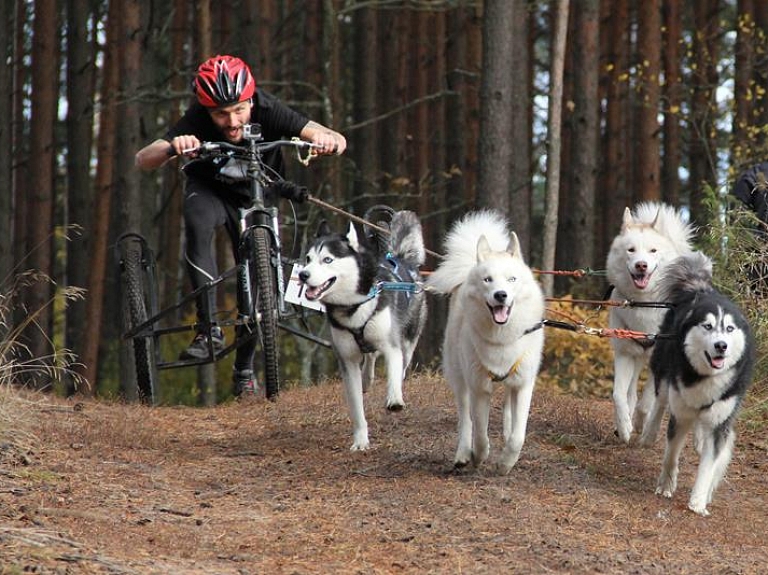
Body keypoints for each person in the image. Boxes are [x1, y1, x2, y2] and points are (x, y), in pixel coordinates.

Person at [135, 54, 347, 396]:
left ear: (252, 99)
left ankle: (244, 369)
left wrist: (329, 140)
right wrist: (174, 146)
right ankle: (208, 329)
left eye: (239, 110)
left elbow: (325, 133)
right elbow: (143, 159)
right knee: (198, 221)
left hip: (257, 194)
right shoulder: (197, 119)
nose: (232, 121)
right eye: (220, 113)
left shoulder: (268, 108)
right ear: (206, 110)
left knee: (256, 266)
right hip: (210, 192)